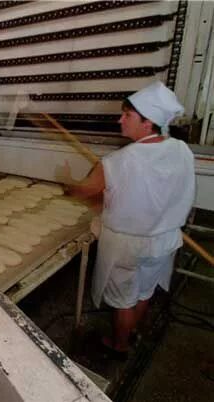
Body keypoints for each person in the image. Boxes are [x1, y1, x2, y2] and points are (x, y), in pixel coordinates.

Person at [66, 81, 195, 356]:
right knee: (144, 291)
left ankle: (119, 344)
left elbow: (86, 192)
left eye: (127, 115)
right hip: (164, 240)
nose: (119, 119)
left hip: (127, 246)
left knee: (123, 299)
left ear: (148, 123)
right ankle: (133, 330)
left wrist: (67, 182)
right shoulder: (182, 151)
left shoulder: (116, 161)